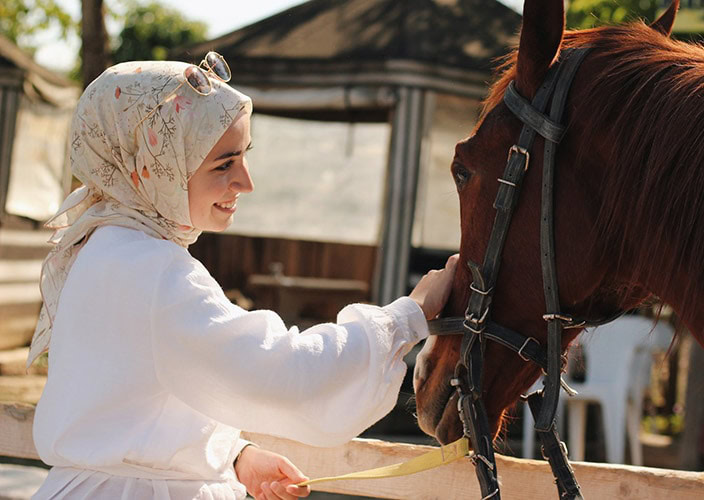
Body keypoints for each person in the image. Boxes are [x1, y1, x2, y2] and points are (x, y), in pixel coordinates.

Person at [28, 54, 458, 500]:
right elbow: (287, 373)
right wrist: (409, 315)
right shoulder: (153, 271)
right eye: (223, 164)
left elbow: (133, 405)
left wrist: (234, 455)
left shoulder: (100, 249)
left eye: (243, 157)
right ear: (154, 167)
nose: (246, 182)